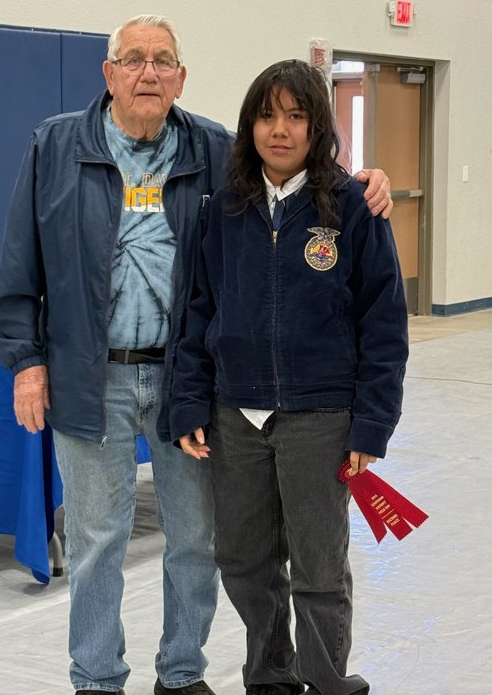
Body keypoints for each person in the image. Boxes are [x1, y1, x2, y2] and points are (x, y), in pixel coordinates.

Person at [0, 16, 393, 695]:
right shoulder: (54, 147)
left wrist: (365, 179)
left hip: (191, 382)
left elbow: (295, 168)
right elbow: (17, 268)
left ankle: (181, 675)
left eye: (164, 61)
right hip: (91, 378)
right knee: (95, 545)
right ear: (109, 72)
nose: (149, 72)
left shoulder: (211, 148)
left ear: (182, 78)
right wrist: (26, 360)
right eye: (134, 59)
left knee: (200, 542)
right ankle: (95, 678)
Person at [170, 60, 408, 695]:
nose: (280, 130)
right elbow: (199, 309)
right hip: (235, 415)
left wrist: (372, 421)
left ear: (317, 126)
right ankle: (271, 677)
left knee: (318, 565)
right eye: (267, 116)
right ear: (250, 125)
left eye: (296, 116)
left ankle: (329, 681)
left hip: (321, 416)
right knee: (244, 560)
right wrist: (191, 401)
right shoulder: (222, 209)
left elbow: (383, 323)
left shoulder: (355, 207)